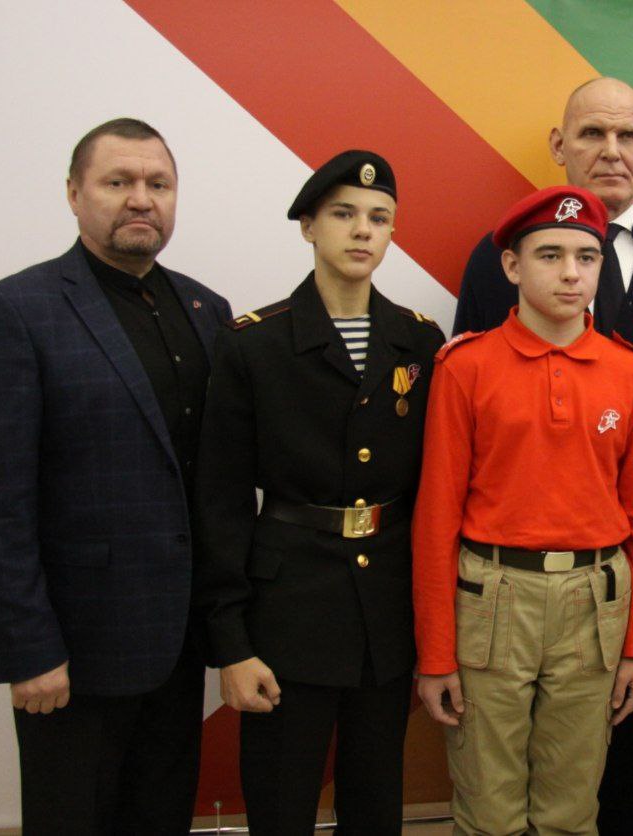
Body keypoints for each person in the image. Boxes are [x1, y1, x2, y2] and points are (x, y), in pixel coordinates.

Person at [457, 77, 633, 832]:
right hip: (515, 575)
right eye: (591, 133)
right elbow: (473, 405)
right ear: (559, 145)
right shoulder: (495, 258)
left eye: (627, 135)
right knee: (505, 777)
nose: (611, 150)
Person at [0, 118, 231, 834]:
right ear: (75, 195)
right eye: (118, 181)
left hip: (179, 646)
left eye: (158, 184)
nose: (141, 198)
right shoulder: (16, 310)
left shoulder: (208, 311)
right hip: (73, 657)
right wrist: (27, 649)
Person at [192, 150, 444, 835]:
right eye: (343, 214)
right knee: (281, 802)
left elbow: (433, 490)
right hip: (286, 612)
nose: (363, 230)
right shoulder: (254, 344)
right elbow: (220, 501)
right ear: (308, 226)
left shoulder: (418, 342)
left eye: (379, 218)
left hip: (385, 612)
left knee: (375, 802)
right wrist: (232, 643)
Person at [412, 185, 633, 835]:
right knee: (488, 809)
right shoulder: (465, 367)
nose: (570, 272)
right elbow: (437, 518)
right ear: (512, 266)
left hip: (595, 604)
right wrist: (436, 653)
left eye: (586, 256)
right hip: (492, 601)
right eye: (549, 255)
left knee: (570, 809)